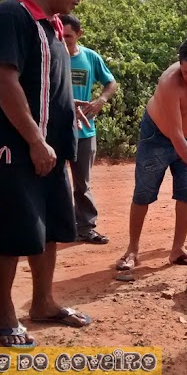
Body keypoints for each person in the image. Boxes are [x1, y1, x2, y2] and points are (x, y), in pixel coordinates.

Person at [0, 0, 97, 348]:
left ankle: (43, 303)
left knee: (48, 230)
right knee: (13, 230)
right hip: (16, 150)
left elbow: (49, 87)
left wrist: (67, 120)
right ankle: (1, 316)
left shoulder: (52, 25)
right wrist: (35, 140)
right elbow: (4, 81)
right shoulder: (11, 16)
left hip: (50, 150)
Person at [116, 38, 187, 270]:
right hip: (157, 137)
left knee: (186, 193)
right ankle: (132, 250)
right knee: (143, 192)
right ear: (179, 63)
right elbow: (174, 134)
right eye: (186, 72)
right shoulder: (169, 82)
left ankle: (177, 250)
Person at [59, 13, 117, 244]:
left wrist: (100, 100)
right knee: (54, 181)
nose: (64, 41)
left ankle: (85, 227)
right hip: (54, 130)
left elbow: (110, 82)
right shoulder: (52, 55)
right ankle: (57, 228)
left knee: (82, 183)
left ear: (79, 34)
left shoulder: (90, 57)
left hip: (84, 130)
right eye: (60, 36)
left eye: (69, 37)